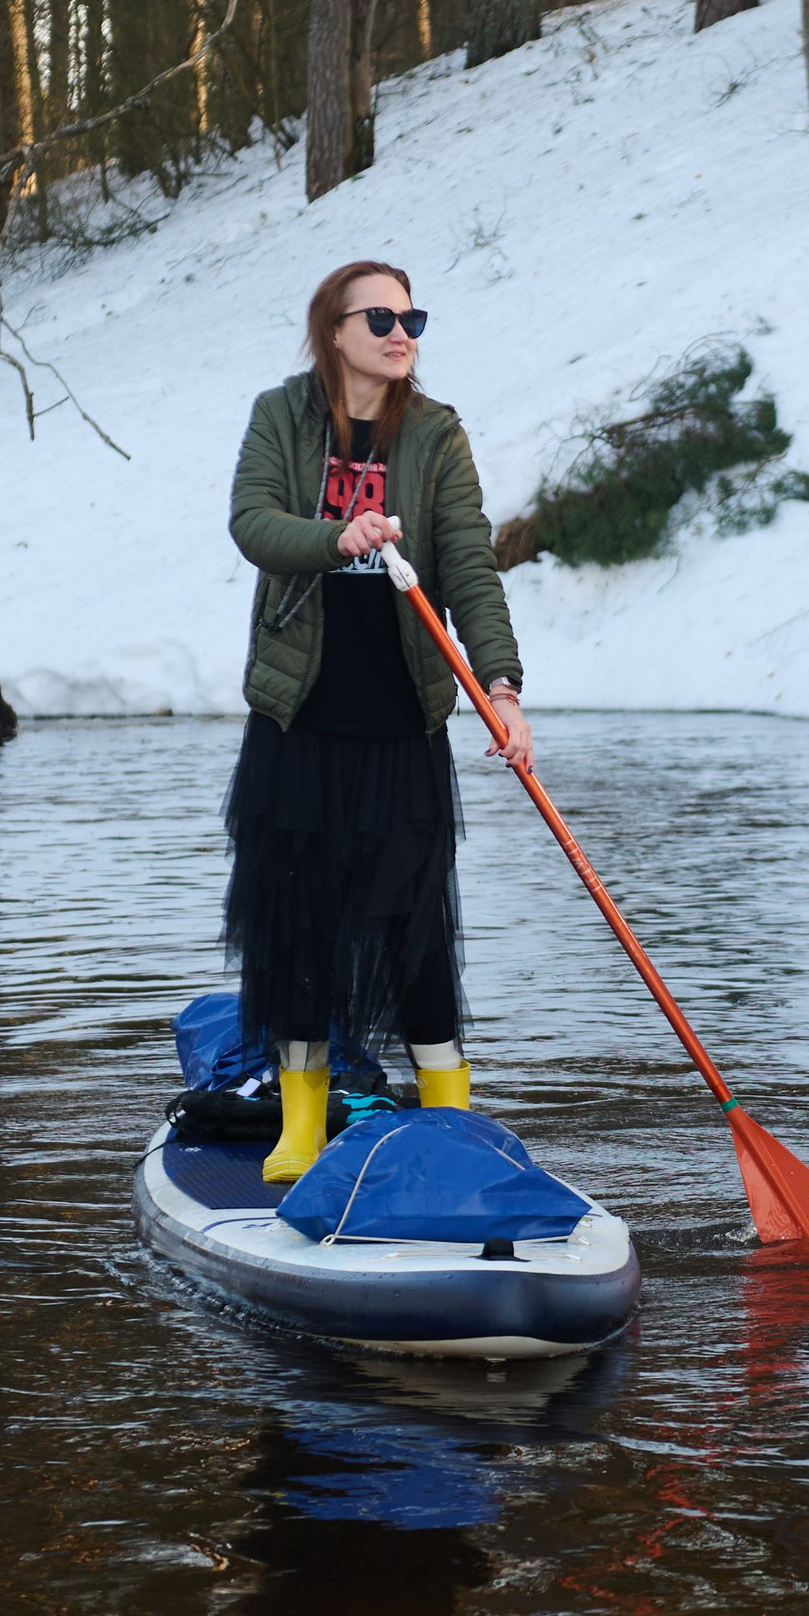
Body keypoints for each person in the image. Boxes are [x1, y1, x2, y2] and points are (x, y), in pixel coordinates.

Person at [225, 261, 532, 1180]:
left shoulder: (435, 435)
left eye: (414, 317)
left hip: (404, 721)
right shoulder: (282, 416)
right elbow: (253, 524)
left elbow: (470, 566)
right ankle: (300, 1126)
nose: (404, 332)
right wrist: (336, 538)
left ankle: (454, 1125)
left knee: (416, 928)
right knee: (298, 921)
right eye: (384, 317)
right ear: (334, 330)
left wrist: (503, 684)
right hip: (300, 717)